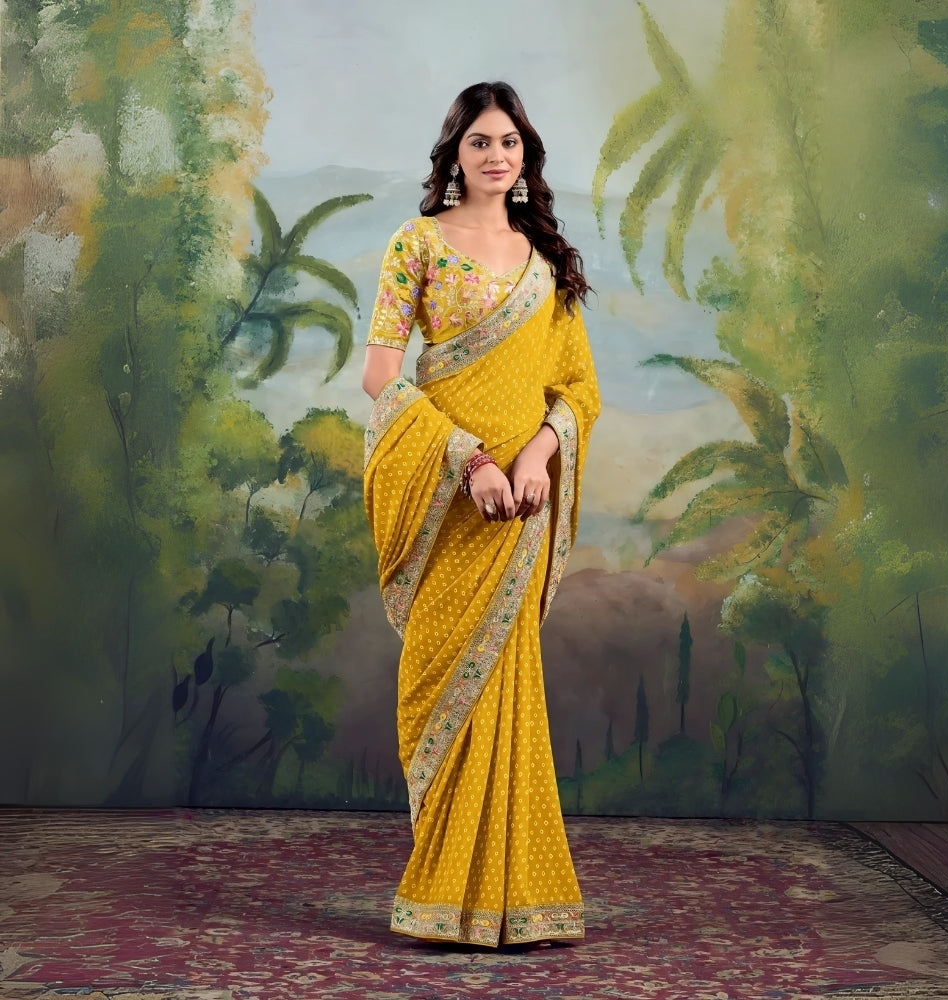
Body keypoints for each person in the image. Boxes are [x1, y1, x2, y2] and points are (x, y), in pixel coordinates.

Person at [361, 81, 600, 948]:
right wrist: (468, 462)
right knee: (438, 686)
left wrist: (535, 455)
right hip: (447, 499)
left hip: (520, 510)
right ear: (453, 154)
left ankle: (514, 898)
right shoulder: (416, 243)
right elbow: (383, 375)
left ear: (526, 157)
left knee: (509, 692)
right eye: (479, 142)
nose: (496, 155)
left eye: (510, 143)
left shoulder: (546, 263)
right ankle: (444, 886)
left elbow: (576, 388)